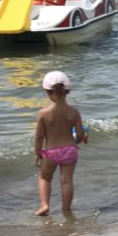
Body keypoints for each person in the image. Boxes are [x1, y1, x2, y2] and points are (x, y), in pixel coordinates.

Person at [34, 71, 88, 216]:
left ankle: (45, 205)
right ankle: (66, 209)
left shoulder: (43, 113)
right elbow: (80, 135)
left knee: (44, 178)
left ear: (48, 93)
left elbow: (39, 137)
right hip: (70, 150)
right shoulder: (74, 112)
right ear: (67, 91)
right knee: (66, 181)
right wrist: (80, 138)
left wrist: (38, 153)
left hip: (51, 152)